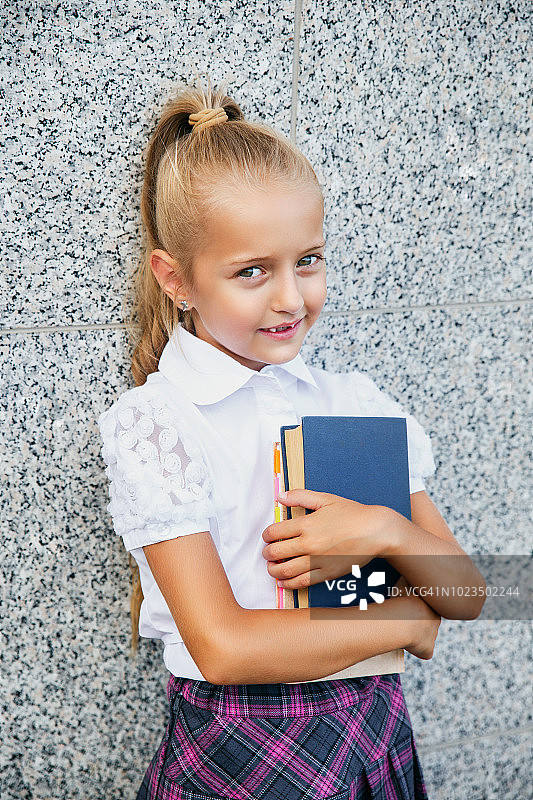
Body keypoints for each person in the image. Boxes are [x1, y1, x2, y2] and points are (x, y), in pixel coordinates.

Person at [98, 78, 486, 800]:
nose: (289, 298)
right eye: (252, 272)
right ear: (174, 278)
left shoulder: (354, 400)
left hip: (374, 730)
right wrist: (408, 623)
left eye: (307, 260)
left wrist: (381, 528)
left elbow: (465, 590)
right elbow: (222, 647)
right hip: (240, 747)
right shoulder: (161, 422)